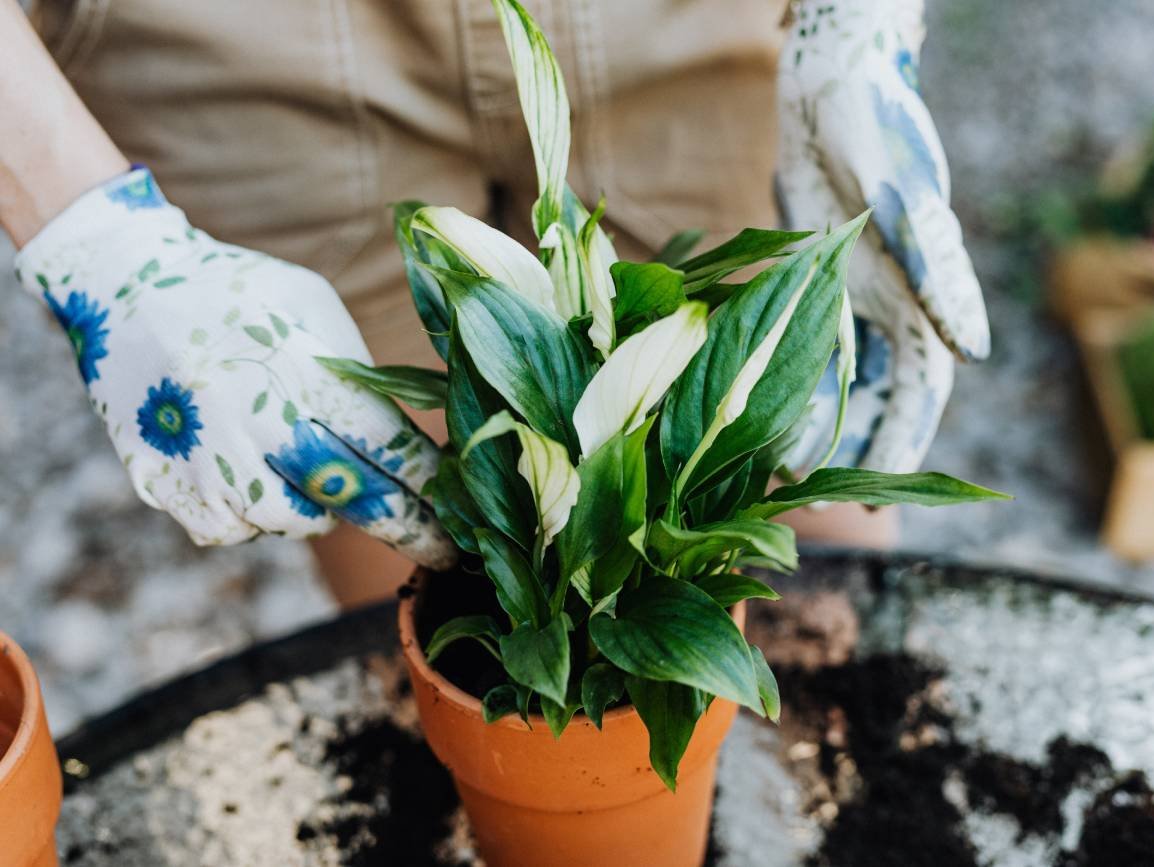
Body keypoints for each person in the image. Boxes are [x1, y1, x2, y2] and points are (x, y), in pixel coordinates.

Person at [1, 0, 988, 607]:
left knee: (805, 545)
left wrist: (858, 19)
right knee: (433, 564)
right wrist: (93, 235)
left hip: (676, 16)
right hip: (228, 38)